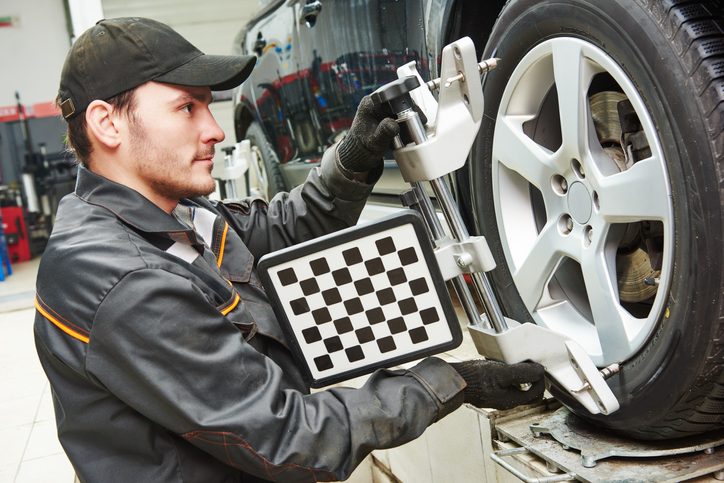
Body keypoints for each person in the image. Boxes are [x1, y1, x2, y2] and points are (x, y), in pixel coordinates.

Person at [34, 17, 545, 483]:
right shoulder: (121, 279)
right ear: (107, 123)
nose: (213, 129)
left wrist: (354, 155)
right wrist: (442, 381)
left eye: (208, 106)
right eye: (186, 108)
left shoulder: (171, 214)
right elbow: (291, 439)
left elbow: (276, 230)